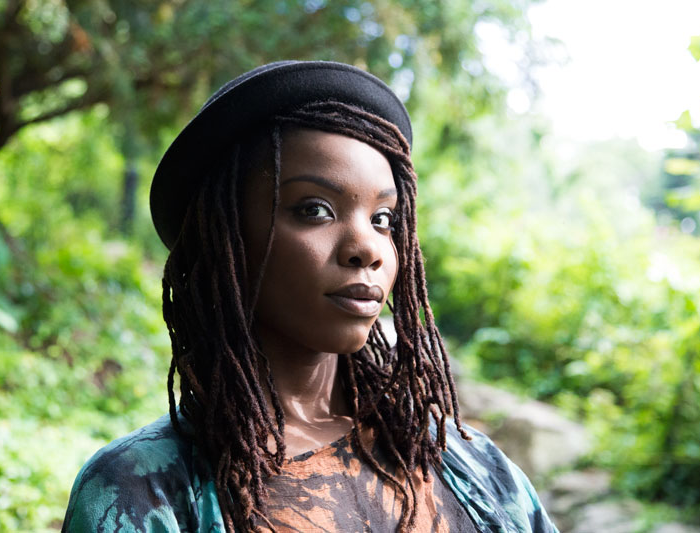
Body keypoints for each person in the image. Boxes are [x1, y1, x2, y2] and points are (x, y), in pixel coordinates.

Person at [62, 61, 559, 533]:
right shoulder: (140, 491)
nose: (367, 247)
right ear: (227, 240)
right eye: (315, 210)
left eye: (383, 219)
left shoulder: (471, 466)